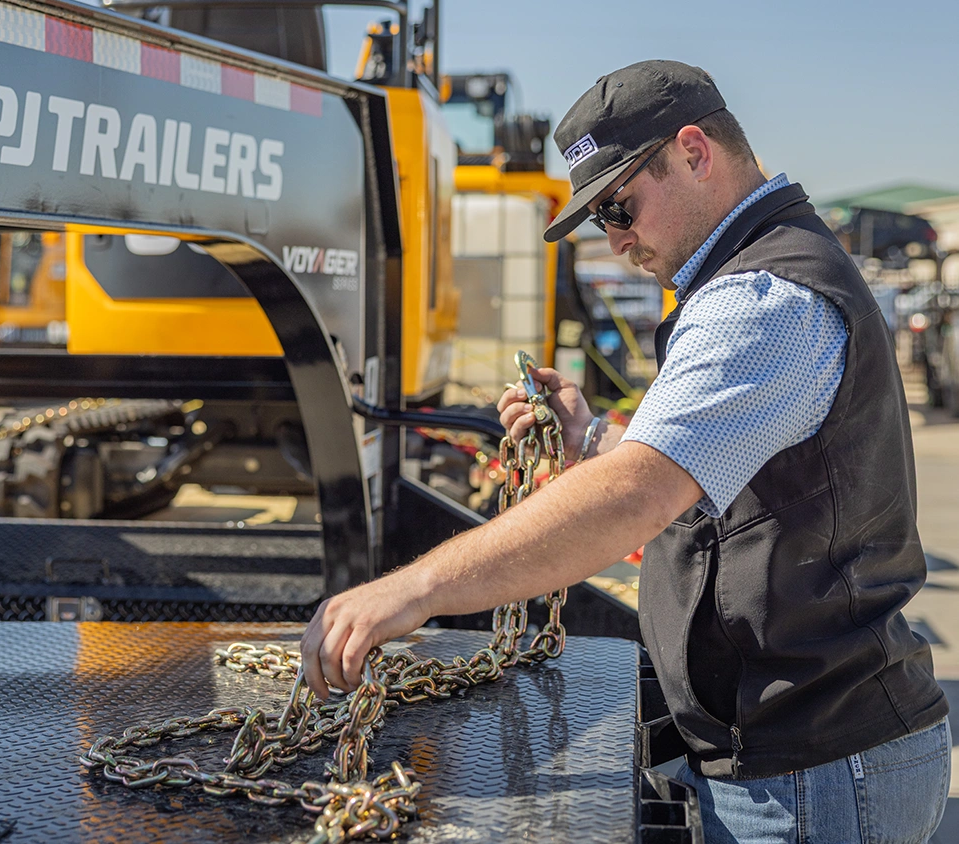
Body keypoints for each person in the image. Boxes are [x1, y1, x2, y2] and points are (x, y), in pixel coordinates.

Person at [300, 60, 951, 843]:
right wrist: (592, 440)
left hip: (813, 774)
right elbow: (726, 469)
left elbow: (638, 496)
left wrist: (418, 589)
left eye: (618, 205)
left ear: (694, 152)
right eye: (598, 220)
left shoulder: (764, 299)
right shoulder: (755, 278)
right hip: (794, 758)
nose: (615, 240)